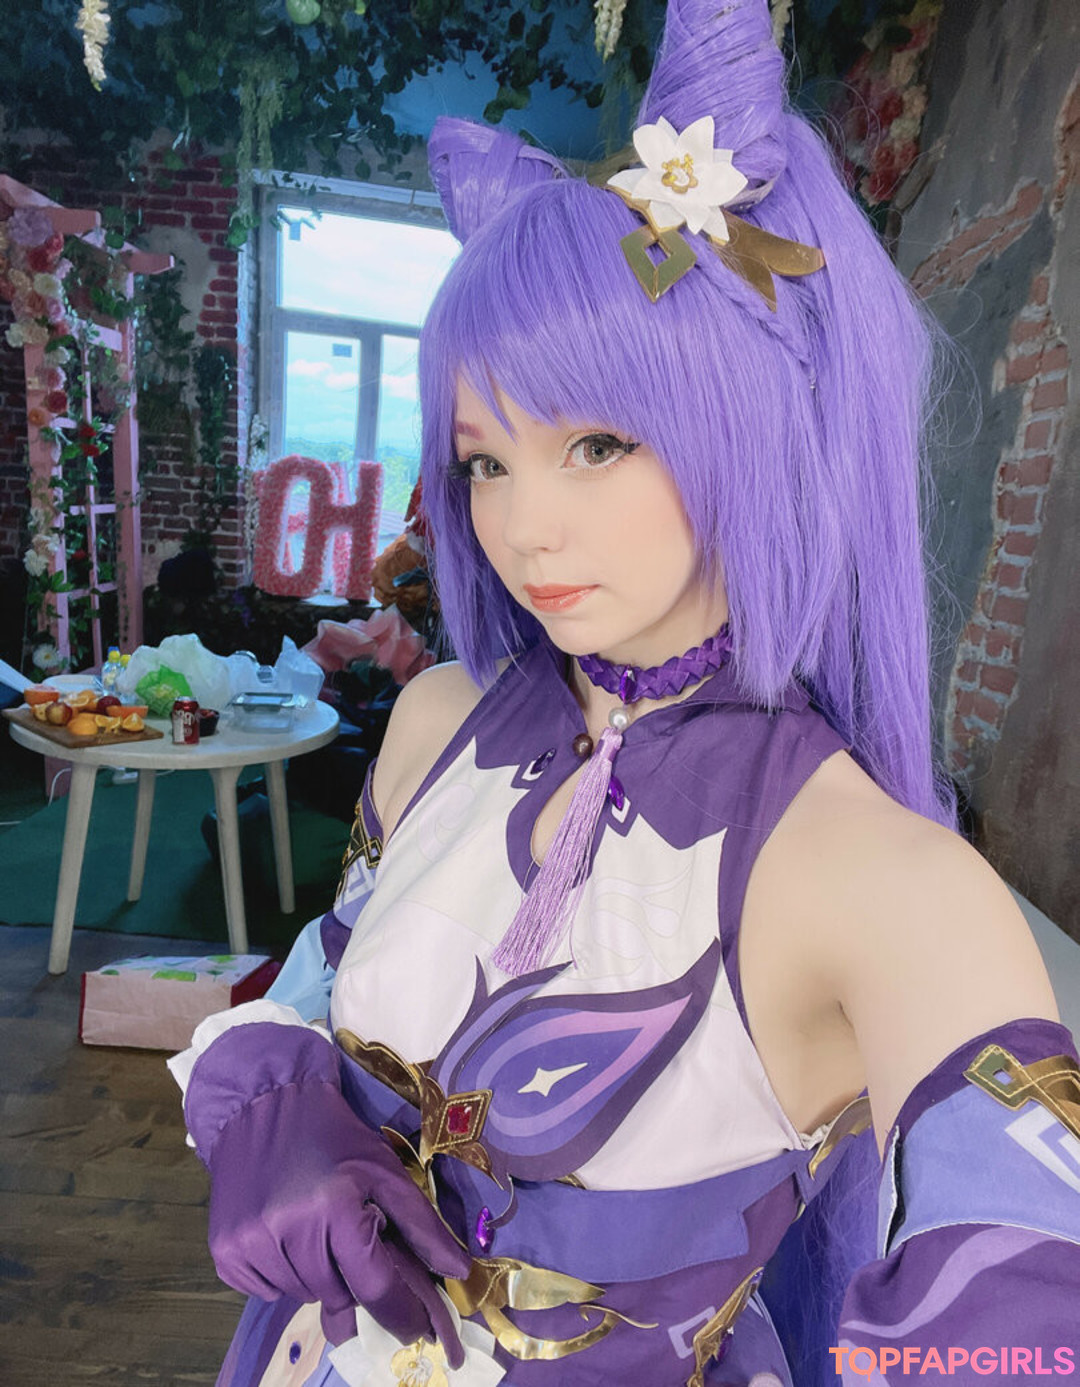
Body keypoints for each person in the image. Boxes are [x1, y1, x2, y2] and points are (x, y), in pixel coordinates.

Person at [170, 2, 1080, 1383]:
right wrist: (273, 1107)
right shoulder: (438, 720)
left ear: (749, 421)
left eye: (597, 442)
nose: (523, 526)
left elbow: (1026, 1314)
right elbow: (323, 981)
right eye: (484, 461)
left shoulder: (877, 874)